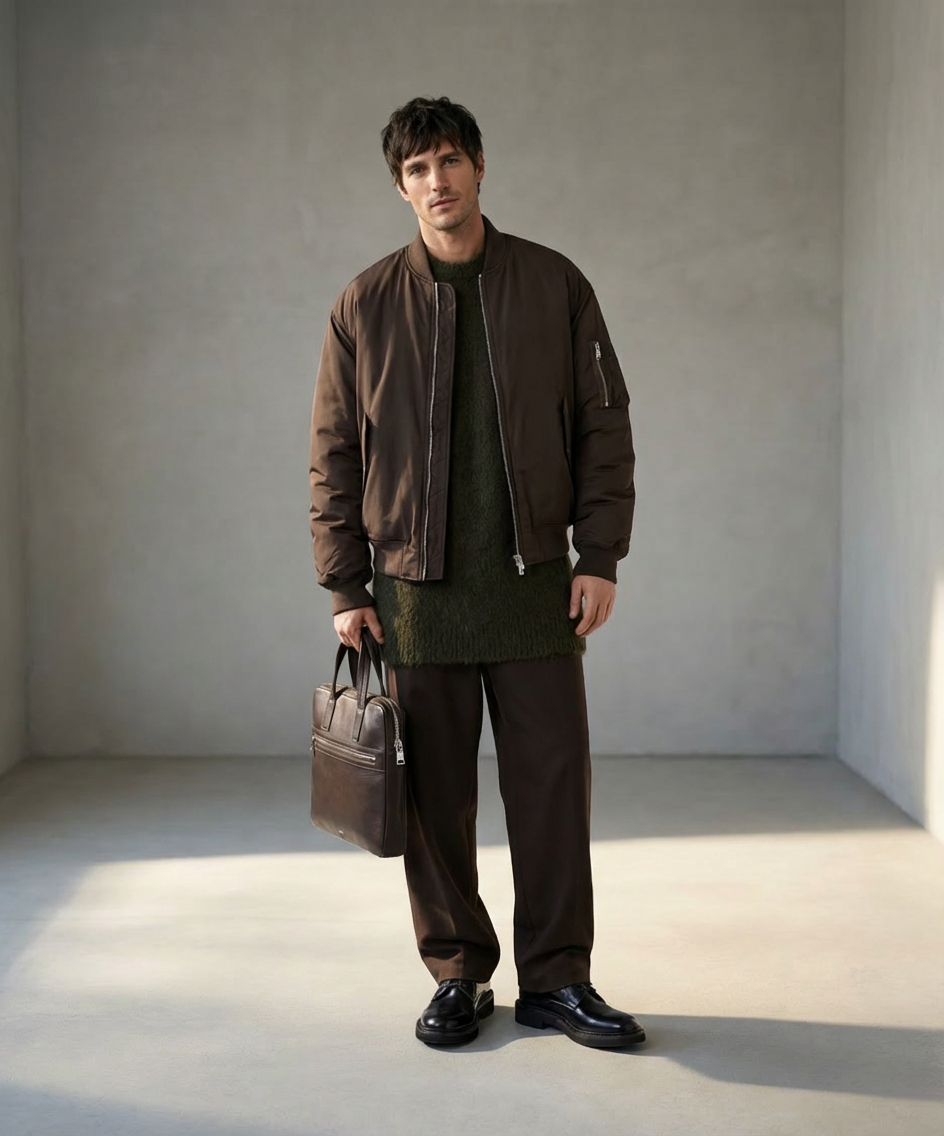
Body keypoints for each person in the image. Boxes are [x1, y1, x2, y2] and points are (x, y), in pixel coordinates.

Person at [308, 96, 642, 1049]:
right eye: (417, 170)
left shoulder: (553, 283)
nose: (436, 181)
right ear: (401, 185)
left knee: (550, 787)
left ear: (480, 166)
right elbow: (333, 451)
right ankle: (458, 971)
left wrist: (601, 553)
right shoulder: (364, 304)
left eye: (449, 161)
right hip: (415, 595)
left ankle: (558, 979)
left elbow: (603, 425)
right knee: (433, 799)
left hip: (537, 583)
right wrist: (345, 585)